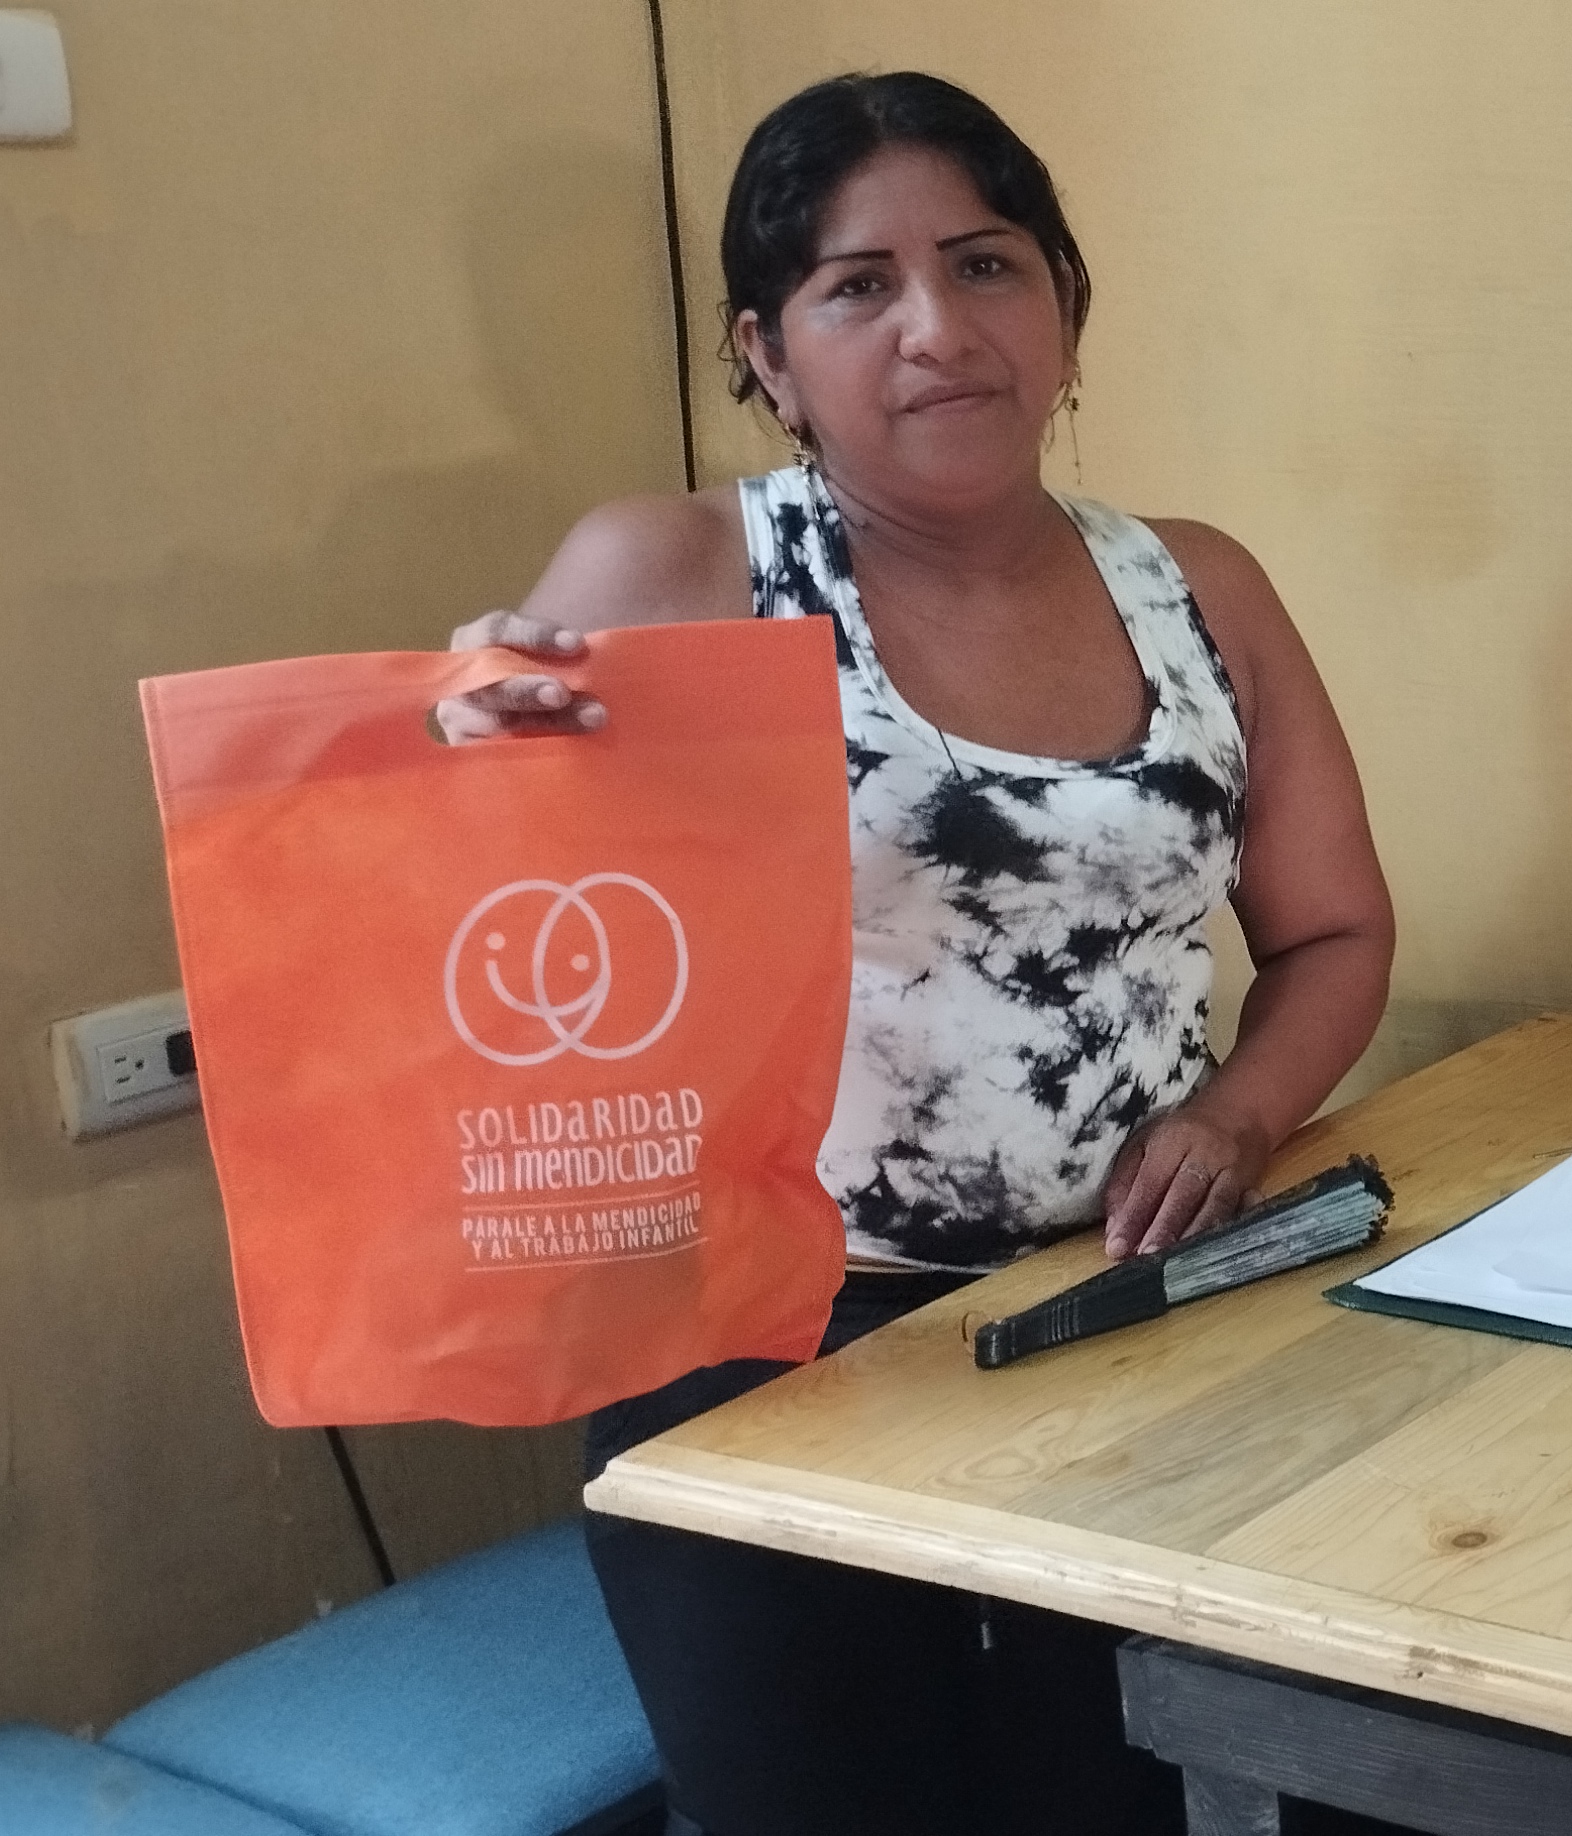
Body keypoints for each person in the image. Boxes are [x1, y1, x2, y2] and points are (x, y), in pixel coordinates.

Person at [436, 72, 1395, 1835]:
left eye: (986, 263)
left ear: (1067, 306)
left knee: (1118, 1806)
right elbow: (504, 967)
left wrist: (1239, 1115)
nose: (937, 328)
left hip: (1130, 1319)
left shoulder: (1202, 586)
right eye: (857, 286)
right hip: (769, 1375)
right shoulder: (674, 574)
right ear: (767, 354)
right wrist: (474, 758)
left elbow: (1333, 931)